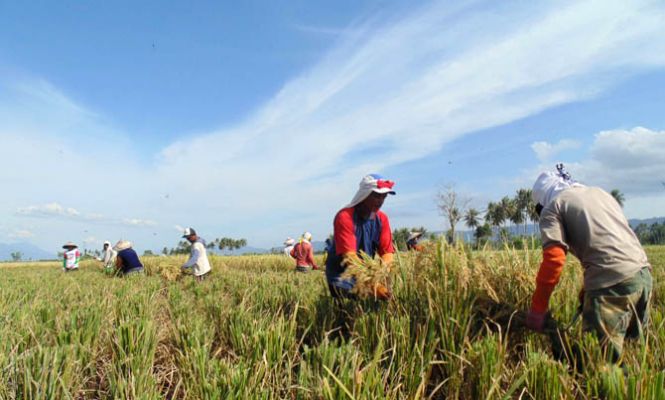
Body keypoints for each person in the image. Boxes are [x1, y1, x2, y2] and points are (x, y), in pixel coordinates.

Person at [525, 165, 652, 363]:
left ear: (542, 201)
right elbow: (609, 245)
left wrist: (538, 308)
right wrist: (588, 289)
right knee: (634, 355)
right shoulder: (600, 194)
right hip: (643, 275)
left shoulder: (553, 207)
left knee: (601, 365)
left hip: (612, 285)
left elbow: (554, 259)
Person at [325, 174, 396, 299]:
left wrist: (381, 274)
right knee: (349, 307)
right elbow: (350, 258)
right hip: (342, 275)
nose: (380, 201)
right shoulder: (345, 217)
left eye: (383, 197)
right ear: (365, 194)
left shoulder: (382, 219)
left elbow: (387, 253)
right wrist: (373, 286)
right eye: (376, 196)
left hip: (365, 273)